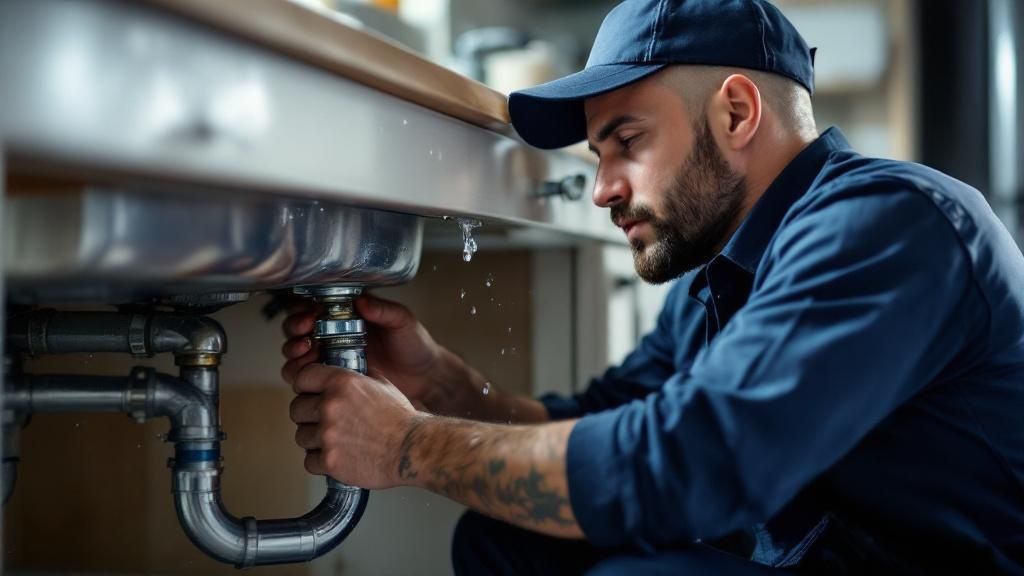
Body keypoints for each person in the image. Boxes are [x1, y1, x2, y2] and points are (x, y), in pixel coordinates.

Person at [281, 0, 1024, 573]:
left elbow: (693, 466)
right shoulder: (728, 269)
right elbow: (616, 414)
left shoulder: (884, 225)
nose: (602, 188)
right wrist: (442, 387)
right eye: (598, 154)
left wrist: (411, 446)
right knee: (510, 541)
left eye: (627, 142)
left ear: (736, 112)